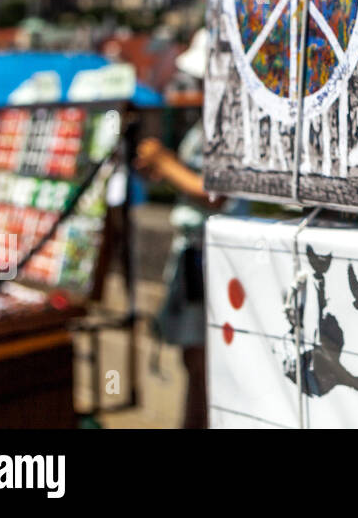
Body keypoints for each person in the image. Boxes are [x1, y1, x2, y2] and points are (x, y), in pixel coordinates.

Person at [134, 28, 226, 429]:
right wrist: (163, 168)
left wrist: (165, 163)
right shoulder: (209, 118)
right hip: (197, 251)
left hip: (209, 253)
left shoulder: (224, 123)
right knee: (194, 357)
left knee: (203, 359)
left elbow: (213, 195)